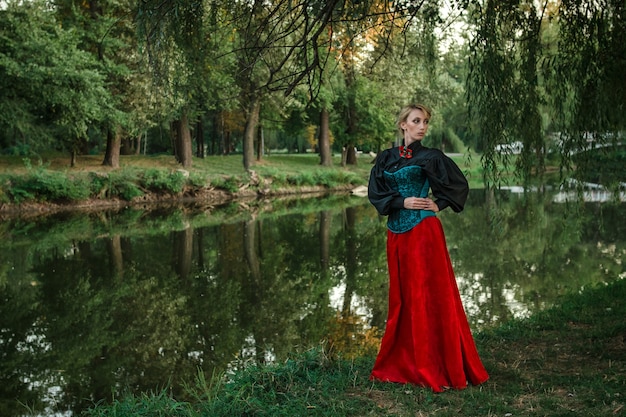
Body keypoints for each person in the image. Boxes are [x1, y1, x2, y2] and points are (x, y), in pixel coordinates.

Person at [367, 103, 489, 392]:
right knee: (403, 297)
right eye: (416, 121)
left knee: (429, 295)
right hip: (396, 233)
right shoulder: (386, 158)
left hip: (424, 232)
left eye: (425, 122)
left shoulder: (431, 157)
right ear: (403, 125)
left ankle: (434, 363)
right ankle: (404, 361)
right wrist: (401, 202)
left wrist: (439, 203)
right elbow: (376, 192)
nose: (422, 126)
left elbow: (458, 185)